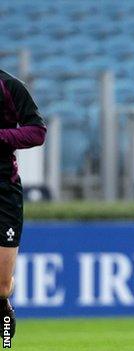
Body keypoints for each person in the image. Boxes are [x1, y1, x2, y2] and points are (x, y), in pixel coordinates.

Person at [0, 70, 47, 342]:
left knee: (2, 285)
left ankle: (4, 305)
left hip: (4, 190)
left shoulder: (11, 86)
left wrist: (1, 137)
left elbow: (37, 132)